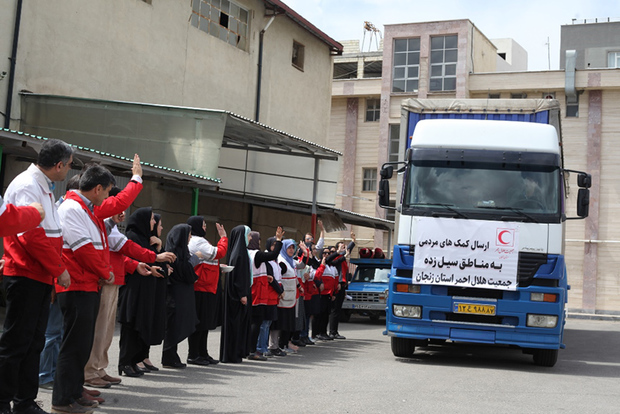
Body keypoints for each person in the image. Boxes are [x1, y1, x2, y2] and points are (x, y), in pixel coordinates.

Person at [0, 139, 73, 414]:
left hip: (39, 275)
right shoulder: (29, 184)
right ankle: (3, 400)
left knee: (33, 342)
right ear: (58, 165)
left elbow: (53, 235)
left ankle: (24, 400)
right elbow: (32, 237)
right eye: (67, 166)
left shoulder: (44, 186)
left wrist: (55, 269)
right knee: (16, 342)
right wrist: (60, 269)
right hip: (26, 274)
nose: (67, 171)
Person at [84, 189, 174, 389]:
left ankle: (98, 369)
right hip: (109, 279)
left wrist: (143, 261)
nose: (154, 223)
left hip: (114, 278)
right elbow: (122, 248)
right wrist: (153, 258)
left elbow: (121, 252)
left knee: (105, 331)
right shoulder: (86, 215)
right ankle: (91, 371)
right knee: (100, 329)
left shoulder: (108, 225)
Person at [52, 164, 117, 414]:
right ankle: (62, 399)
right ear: (97, 188)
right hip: (77, 284)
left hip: (87, 283)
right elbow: (84, 250)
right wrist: (104, 272)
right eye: (108, 192)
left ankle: (74, 391)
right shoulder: (71, 208)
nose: (108, 198)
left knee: (81, 345)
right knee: (73, 345)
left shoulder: (85, 209)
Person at [117, 208, 169, 377]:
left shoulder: (146, 240)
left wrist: (158, 249)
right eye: (152, 219)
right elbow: (130, 259)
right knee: (131, 326)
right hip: (133, 290)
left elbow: (155, 260)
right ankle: (125, 363)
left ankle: (133, 361)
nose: (154, 223)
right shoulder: (131, 238)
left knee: (140, 326)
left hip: (145, 290)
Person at [187, 217, 228, 366]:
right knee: (199, 323)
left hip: (207, 286)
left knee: (204, 323)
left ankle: (202, 353)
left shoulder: (201, 241)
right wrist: (223, 238)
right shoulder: (198, 241)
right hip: (201, 287)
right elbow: (218, 252)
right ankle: (194, 354)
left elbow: (209, 259)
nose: (205, 228)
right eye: (203, 225)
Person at [161, 224, 200, 369]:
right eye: (188, 235)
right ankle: (169, 357)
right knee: (173, 325)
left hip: (182, 295)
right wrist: (195, 259)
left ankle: (172, 356)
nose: (190, 238)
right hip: (175, 295)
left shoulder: (182, 252)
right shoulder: (172, 253)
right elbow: (185, 271)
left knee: (178, 324)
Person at [247, 227, 284, 361]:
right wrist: (279, 240)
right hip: (258, 293)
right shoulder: (256, 254)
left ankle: (251, 349)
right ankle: (253, 350)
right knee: (257, 323)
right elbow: (273, 255)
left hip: (252, 290)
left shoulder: (246, 253)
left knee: (255, 323)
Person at [219, 225, 252, 363]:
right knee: (236, 326)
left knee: (236, 326)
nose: (250, 238)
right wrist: (242, 294)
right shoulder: (240, 253)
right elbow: (239, 277)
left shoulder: (240, 251)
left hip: (236, 295)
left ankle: (234, 353)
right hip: (238, 296)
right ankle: (233, 355)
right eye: (248, 235)